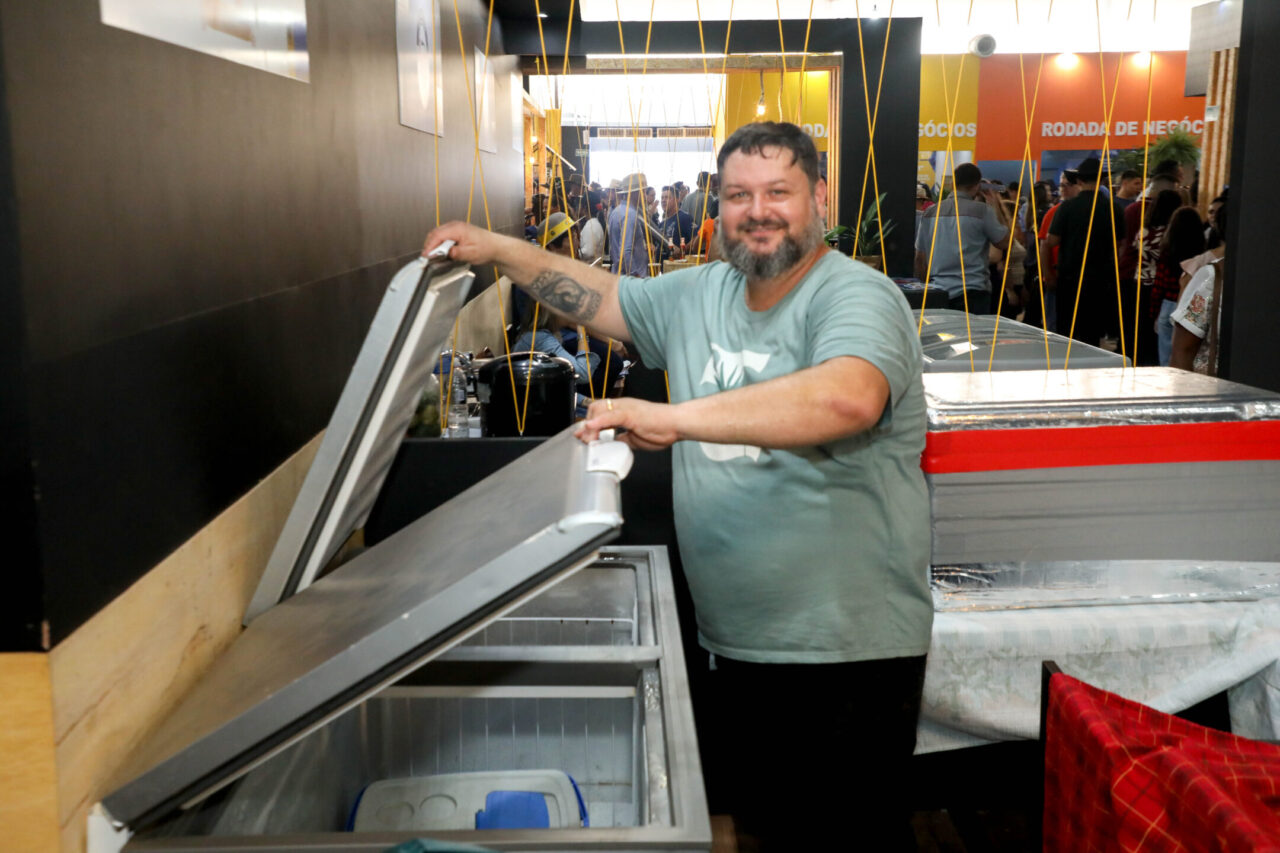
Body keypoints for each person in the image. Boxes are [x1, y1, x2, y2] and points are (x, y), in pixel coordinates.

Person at [424, 120, 931, 851]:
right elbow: (602, 297)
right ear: (718, 204)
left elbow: (846, 398)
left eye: (778, 192)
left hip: (848, 653)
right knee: (768, 830)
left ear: (818, 197)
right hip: (738, 641)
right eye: (738, 195)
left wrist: (674, 419)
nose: (757, 211)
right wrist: (499, 249)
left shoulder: (856, 295)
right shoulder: (702, 292)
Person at [914, 162, 1013, 314]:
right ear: (977, 186)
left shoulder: (930, 213)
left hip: (939, 292)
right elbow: (1004, 242)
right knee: (973, 330)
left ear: (953, 184)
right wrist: (994, 204)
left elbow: (920, 258)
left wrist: (925, 290)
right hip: (973, 294)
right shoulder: (982, 211)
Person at [1046, 157, 1126, 346]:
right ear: (1102, 180)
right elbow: (1120, 244)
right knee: (1092, 334)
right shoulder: (1113, 208)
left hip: (1070, 278)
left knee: (1067, 333)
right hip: (1100, 280)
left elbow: (1051, 241)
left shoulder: (1067, 207)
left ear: (1079, 181)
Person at [1153, 206, 1208, 366]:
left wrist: (1154, 311)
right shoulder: (1202, 254)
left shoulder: (1167, 251)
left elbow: (1159, 285)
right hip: (1191, 305)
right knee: (1185, 357)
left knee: (1165, 360)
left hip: (1168, 303)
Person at [608, 172, 652, 277]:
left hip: (619, 275)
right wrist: (635, 275)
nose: (645, 196)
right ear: (635, 193)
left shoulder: (615, 211)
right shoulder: (630, 214)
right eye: (643, 191)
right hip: (631, 279)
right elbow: (625, 251)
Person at [659, 185, 695, 258]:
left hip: (676, 264)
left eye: (667, 197)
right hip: (662, 264)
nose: (663, 200)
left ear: (677, 200)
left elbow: (697, 237)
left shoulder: (684, 217)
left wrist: (682, 251)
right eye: (662, 198)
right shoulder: (661, 224)